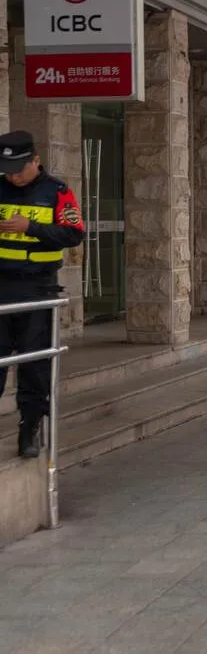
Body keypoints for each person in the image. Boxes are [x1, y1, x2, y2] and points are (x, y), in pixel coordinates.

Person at [0, 131, 84, 458]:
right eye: (7, 168)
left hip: (38, 288)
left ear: (36, 160)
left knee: (35, 361)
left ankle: (30, 426)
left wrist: (30, 228)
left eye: (19, 167)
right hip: (2, 285)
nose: (13, 174)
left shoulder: (56, 192)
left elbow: (73, 234)